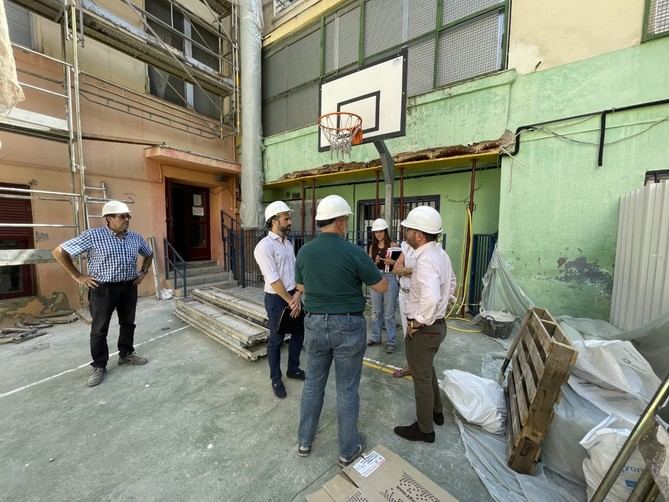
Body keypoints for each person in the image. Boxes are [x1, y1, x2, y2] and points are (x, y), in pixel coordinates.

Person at [295, 195, 388, 466]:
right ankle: (348, 450)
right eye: (345, 219)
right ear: (339, 221)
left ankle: (304, 441)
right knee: (347, 389)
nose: (346, 224)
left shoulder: (304, 252)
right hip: (348, 325)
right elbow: (381, 286)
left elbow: (301, 287)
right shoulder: (354, 252)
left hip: (314, 323)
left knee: (313, 384)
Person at [52, 200, 153, 387]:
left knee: (128, 323)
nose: (126, 219)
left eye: (128, 216)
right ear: (109, 218)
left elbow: (149, 254)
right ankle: (99, 365)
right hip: (103, 289)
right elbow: (59, 252)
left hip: (129, 286)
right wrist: (78, 275)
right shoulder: (93, 236)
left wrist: (143, 273)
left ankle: (126, 354)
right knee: (99, 329)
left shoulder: (135, 237)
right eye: (122, 216)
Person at [394, 206, 456, 443]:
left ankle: (425, 429)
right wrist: (441, 308)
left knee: (420, 379)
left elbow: (430, 297)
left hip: (426, 330)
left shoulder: (426, 260)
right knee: (427, 369)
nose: (406, 232)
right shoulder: (440, 254)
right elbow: (451, 284)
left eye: (409, 229)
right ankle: (436, 412)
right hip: (438, 326)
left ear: (419, 234)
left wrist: (418, 322)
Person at [253, 200, 305, 399]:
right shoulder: (263, 247)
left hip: (293, 295)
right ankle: (276, 378)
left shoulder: (288, 244)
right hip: (277, 299)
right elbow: (273, 279)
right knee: (276, 340)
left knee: (299, 334)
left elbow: (294, 271)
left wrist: (297, 295)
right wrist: (291, 300)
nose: (290, 221)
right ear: (274, 221)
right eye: (286, 218)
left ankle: (293, 368)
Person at [367, 218, 399, 353]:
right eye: (376, 232)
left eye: (381, 232)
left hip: (390, 277)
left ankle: (391, 341)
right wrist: (374, 262)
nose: (378, 234)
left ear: (385, 232)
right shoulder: (372, 247)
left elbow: (400, 265)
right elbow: (369, 265)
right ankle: (375, 336)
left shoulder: (393, 245)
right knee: (375, 311)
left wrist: (391, 262)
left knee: (389, 313)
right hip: (376, 277)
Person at [390, 238, 417, 378]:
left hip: (416, 297)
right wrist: (410, 271)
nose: (407, 233)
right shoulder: (406, 246)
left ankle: (418, 366)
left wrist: (403, 270)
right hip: (403, 294)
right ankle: (410, 365)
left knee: (417, 332)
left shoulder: (428, 250)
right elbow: (395, 269)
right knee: (407, 332)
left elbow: (423, 271)